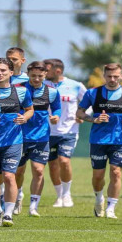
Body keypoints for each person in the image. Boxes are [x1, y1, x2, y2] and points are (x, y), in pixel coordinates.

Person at [76, 63, 122, 219]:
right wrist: (94, 119)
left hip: (121, 140)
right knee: (98, 176)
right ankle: (99, 198)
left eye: (116, 76)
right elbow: (79, 113)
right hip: (98, 140)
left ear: (121, 76)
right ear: (104, 76)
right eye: (109, 76)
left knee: (116, 172)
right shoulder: (92, 93)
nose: (113, 79)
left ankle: (111, 208)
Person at [0, 58, 33, 227]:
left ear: (11, 73)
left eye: (3, 70)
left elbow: (29, 109)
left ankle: (8, 214)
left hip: (13, 141)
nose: (0, 73)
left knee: (10, 176)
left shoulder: (22, 91)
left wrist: (24, 118)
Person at [15, 61, 61, 217]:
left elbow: (57, 107)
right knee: (18, 171)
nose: (36, 79)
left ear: (45, 75)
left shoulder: (52, 92)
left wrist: (56, 116)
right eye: (33, 75)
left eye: (40, 76)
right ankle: (17, 195)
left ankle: (33, 206)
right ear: (27, 74)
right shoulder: (18, 89)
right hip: (19, 136)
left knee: (39, 170)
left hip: (41, 137)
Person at [44, 58, 86, 208]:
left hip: (69, 130)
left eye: (46, 69)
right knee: (53, 165)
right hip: (47, 132)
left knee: (64, 161)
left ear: (58, 71)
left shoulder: (76, 85)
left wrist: (82, 115)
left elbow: (90, 102)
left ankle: (67, 194)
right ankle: (59, 196)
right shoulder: (42, 85)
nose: (44, 72)